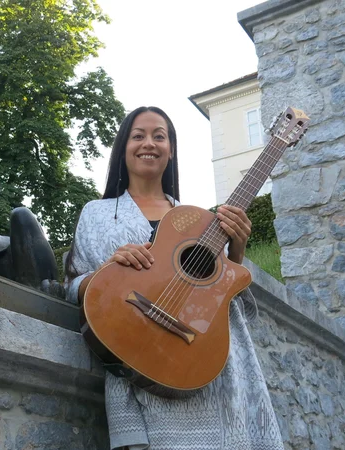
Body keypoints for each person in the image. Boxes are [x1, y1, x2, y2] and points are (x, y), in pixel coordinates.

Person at [65, 106, 284, 450]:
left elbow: (224, 301)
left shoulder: (196, 222)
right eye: (138, 135)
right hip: (139, 362)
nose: (148, 143)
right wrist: (107, 271)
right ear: (123, 147)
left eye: (159, 136)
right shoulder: (98, 213)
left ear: (171, 150)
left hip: (207, 370)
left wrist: (237, 250)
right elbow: (74, 286)